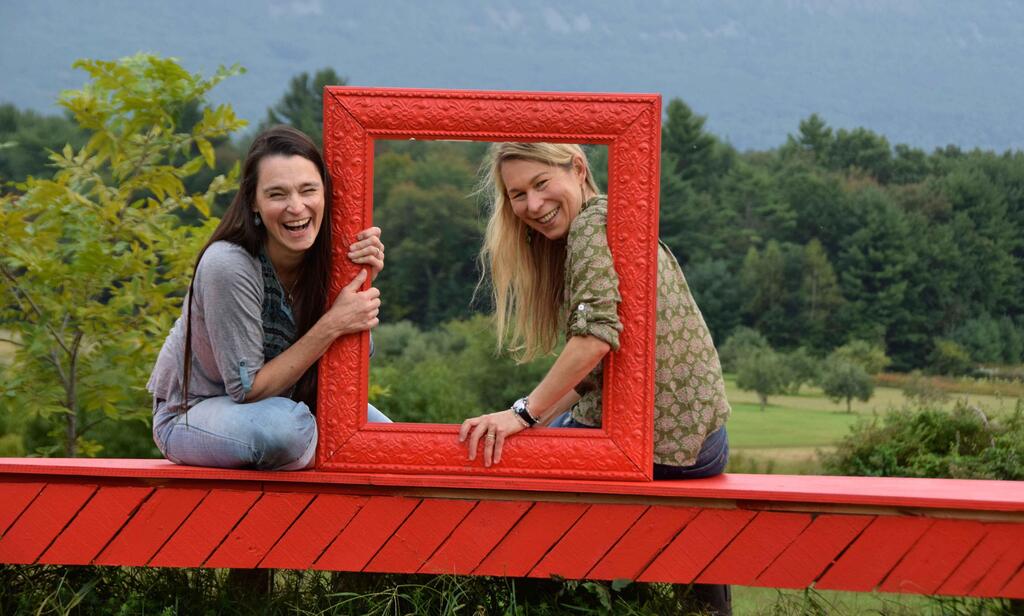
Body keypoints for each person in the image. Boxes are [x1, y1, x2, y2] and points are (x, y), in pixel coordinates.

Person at [458, 142, 732, 614]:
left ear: (578, 168)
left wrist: (524, 415)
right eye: (518, 194)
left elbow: (595, 340)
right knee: (521, 441)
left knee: (496, 474)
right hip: (700, 443)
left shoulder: (591, 226)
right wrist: (533, 414)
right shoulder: (612, 222)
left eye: (542, 184)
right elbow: (599, 371)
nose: (532, 206)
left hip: (655, 444)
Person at [148, 125, 388, 471]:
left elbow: (352, 363)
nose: (296, 207)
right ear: (254, 203)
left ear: (326, 194)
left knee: (392, 443)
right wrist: (332, 323)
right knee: (285, 432)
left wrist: (359, 283)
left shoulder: (326, 259)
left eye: (309, 190)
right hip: (196, 412)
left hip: (290, 404)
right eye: (277, 194)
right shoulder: (228, 264)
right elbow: (248, 390)